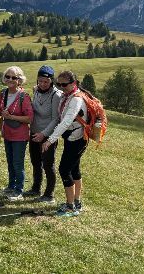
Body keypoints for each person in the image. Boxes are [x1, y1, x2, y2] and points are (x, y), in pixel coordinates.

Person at [42, 70, 88, 217]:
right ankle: (76, 202)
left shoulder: (76, 100)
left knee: (64, 169)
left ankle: (70, 206)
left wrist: (50, 140)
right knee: (74, 169)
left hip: (77, 139)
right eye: (58, 84)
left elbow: (66, 121)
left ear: (73, 83)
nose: (61, 87)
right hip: (71, 137)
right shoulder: (67, 95)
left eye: (64, 84)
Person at [0, 66, 33, 200]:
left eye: (14, 77)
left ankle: (19, 190)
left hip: (20, 135)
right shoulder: (3, 93)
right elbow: (0, 110)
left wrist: (11, 117)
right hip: (7, 132)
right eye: (7, 77)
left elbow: (29, 118)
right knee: (10, 162)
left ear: (19, 80)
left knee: (17, 163)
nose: (10, 79)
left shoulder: (24, 96)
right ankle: (10, 186)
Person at [27, 65, 62, 203]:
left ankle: (49, 194)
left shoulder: (56, 95)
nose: (42, 84)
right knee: (35, 162)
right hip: (34, 132)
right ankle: (36, 188)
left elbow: (56, 119)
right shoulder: (36, 91)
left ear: (51, 81)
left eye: (46, 81)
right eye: (40, 81)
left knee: (48, 164)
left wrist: (44, 134)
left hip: (48, 135)